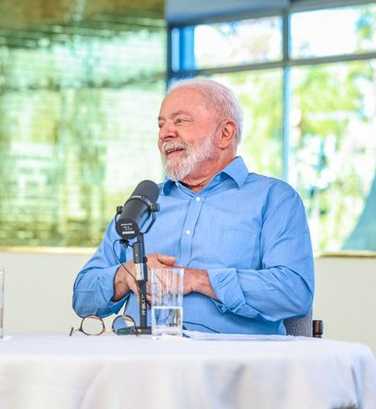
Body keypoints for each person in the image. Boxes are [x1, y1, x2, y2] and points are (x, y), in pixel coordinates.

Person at [72, 78, 314, 335]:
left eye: (180, 121)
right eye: (161, 124)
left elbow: (294, 292)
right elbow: (82, 297)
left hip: (229, 363)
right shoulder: (145, 201)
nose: (165, 133)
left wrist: (198, 280)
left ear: (225, 133)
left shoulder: (274, 199)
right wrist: (126, 275)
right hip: (139, 358)